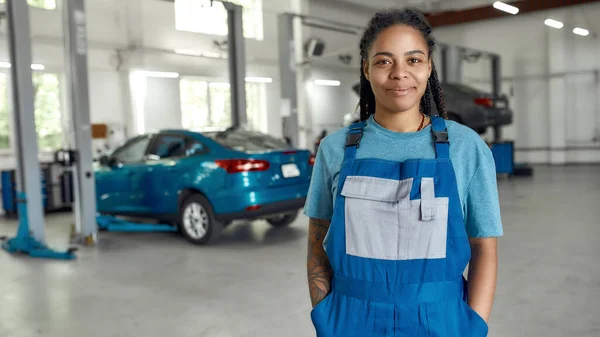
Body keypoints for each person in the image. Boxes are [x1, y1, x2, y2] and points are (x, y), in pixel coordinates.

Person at [304, 8, 503, 337]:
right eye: (384, 61)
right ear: (366, 68)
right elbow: (316, 240)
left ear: (428, 67)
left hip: (442, 323)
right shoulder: (334, 149)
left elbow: (484, 248)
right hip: (350, 322)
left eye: (413, 60)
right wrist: (325, 315)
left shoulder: (466, 147)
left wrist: (473, 326)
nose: (399, 73)